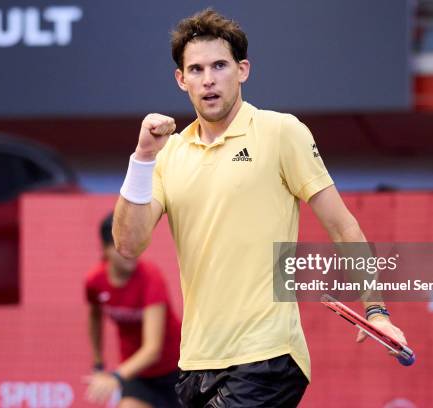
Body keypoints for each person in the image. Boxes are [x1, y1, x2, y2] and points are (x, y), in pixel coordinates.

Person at [113, 9, 407, 407]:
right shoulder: (169, 154)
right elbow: (128, 244)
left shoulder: (281, 132)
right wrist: (143, 157)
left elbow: (343, 226)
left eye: (220, 65)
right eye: (196, 69)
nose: (209, 79)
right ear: (181, 80)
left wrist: (376, 311)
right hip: (196, 362)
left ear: (243, 70)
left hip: (268, 358)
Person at [84, 214, 181, 408]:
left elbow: (152, 349)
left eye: (134, 244)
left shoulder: (151, 278)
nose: (130, 252)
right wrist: (98, 362)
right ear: (105, 250)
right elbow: (95, 316)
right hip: (137, 375)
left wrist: (116, 376)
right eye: (121, 246)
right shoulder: (95, 281)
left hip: (176, 371)